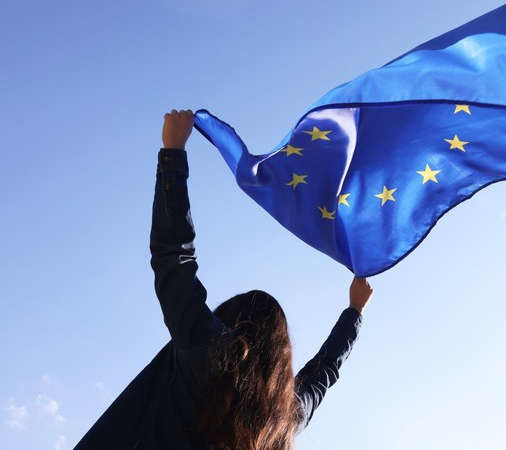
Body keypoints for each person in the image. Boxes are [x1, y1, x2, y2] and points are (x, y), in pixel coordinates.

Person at [74, 110, 373, 450]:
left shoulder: (206, 350)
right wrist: (354, 312)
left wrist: (173, 152)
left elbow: (174, 258)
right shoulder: (285, 417)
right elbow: (324, 372)